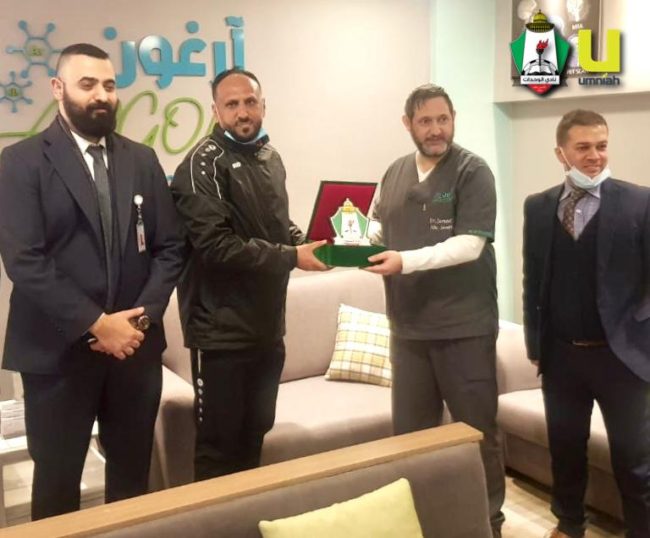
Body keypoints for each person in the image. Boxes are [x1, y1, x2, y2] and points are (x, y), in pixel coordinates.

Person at [0, 43, 185, 520]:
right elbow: (24, 260)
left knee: (132, 482)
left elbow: (170, 248)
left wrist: (138, 322)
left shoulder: (141, 159)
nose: (101, 95)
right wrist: (98, 325)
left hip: (133, 353)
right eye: (87, 84)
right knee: (57, 487)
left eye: (109, 85)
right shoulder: (20, 162)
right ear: (58, 88)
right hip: (56, 354)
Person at [170, 68, 326, 481]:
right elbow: (216, 246)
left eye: (250, 102)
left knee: (255, 434)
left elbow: (276, 224)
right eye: (232, 104)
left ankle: (247, 515)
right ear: (215, 111)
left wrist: (308, 242)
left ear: (263, 105)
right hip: (220, 336)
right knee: (218, 451)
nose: (243, 112)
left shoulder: (269, 157)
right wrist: (293, 256)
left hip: (267, 331)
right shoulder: (200, 165)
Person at [366, 83, 505, 536]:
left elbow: (470, 245)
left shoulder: (473, 171)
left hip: (464, 329)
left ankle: (488, 523)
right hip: (408, 330)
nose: (435, 129)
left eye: (443, 119)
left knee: (475, 434)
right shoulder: (393, 172)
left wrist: (404, 261)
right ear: (408, 124)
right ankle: (422, 522)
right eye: (425, 121)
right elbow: (376, 227)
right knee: (411, 438)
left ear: (453, 119)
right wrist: (349, 245)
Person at [522, 109, 650, 538]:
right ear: (561, 153)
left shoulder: (640, 202)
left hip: (622, 359)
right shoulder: (539, 207)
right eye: (583, 147)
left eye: (601, 146)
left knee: (634, 459)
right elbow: (532, 279)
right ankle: (569, 523)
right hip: (562, 357)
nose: (594, 156)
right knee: (565, 450)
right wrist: (536, 346)